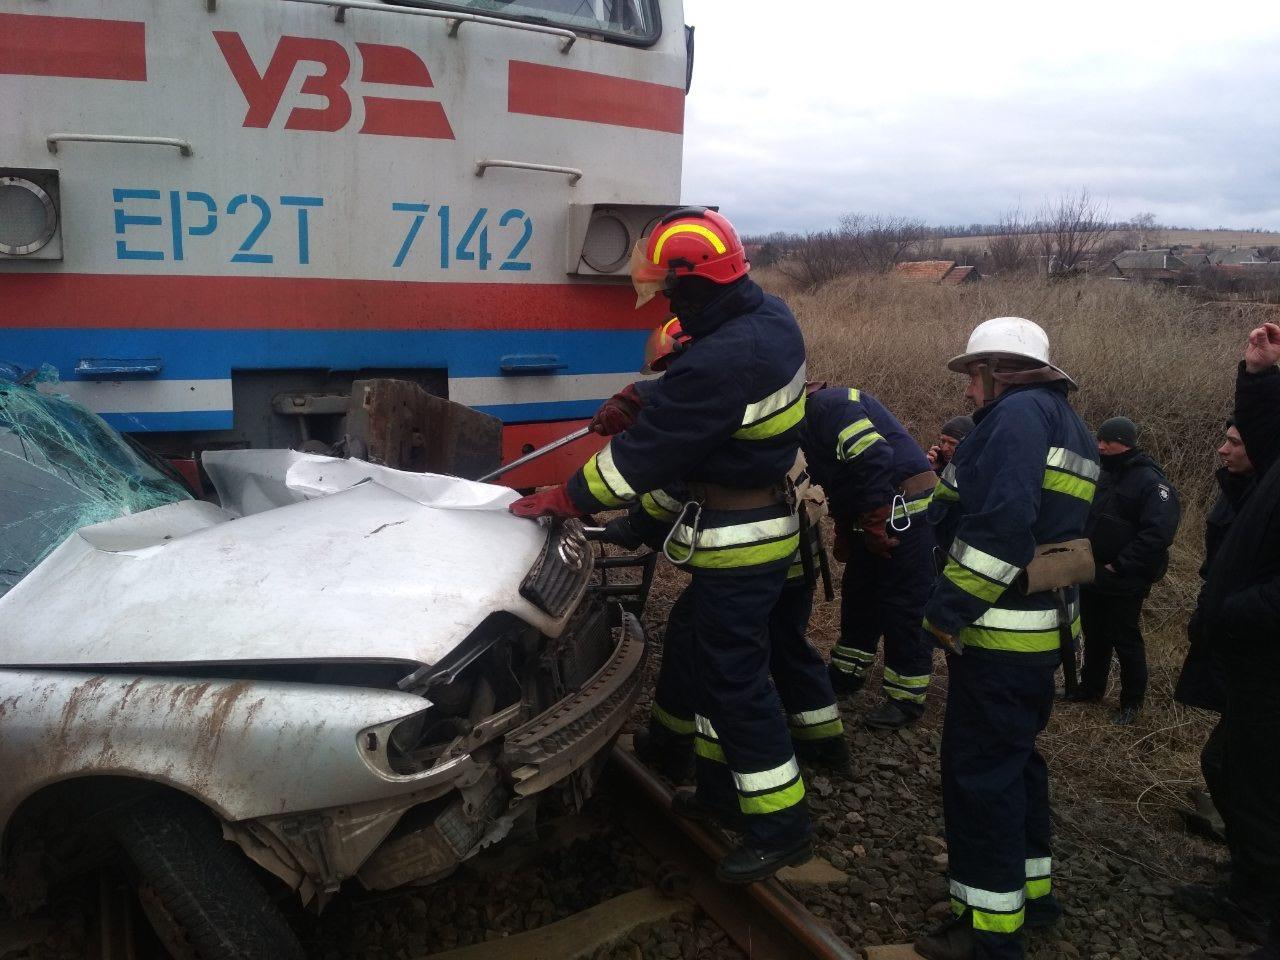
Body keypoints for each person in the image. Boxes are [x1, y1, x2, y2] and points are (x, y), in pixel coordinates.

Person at [508, 207, 813, 884]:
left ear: (699, 284)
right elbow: (713, 394)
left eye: (673, 290)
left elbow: (636, 461)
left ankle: (781, 826)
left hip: (744, 537)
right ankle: (719, 794)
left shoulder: (726, 358)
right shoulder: (768, 320)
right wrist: (650, 393)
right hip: (754, 526)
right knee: (706, 659)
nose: (668, 301)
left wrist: (566, 498)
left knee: (734, 680)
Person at [914, 317, 1098, 960]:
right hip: (1040, 630)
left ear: (998, 370)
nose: (968, 392)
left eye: (972, 375)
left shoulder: (1016, 418)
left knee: (979, 774)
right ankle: (1032, 896)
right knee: (1016, 762)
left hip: (998, 635)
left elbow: (1000, 528)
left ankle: (990, 932)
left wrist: (947, 609)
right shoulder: (1065, 420)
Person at [1177, 322, 1280, 959]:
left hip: (1268, 656)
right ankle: (1248, 890)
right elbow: (1265, 439)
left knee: (1264, 792)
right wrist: (1263, 374)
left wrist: (1240, 609)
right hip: (1253, 660)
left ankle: (1264, 908)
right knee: (1230, 768)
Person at [809, 384, 939, 729]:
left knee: (903, 603)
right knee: (860, 593)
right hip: (873, 510)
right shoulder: (810, 419)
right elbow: (840, 479)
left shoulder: (831, 406)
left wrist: (875, 524)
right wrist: (843, 526)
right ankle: (848, 672)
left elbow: (873, 458)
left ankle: (905, 696)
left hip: (903, 512)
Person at [1173, 420, 1256, 845]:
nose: (1223, 450)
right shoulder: (1236, 495)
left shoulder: (1263, 503)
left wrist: (1230, 610)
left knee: (1226, 758)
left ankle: (1250, 869)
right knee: (1225, 753)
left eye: (1234, 442)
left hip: (1252, 642)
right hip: (1229, 637)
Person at [1067, 417, 1181, 725]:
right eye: (1099, 439)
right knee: (1094, 633)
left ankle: (1131, 703)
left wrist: (1121, 564)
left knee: (1125, 638)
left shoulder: (1151, 482)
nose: (1100, 445)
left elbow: (1158, 533)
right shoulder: (1103, 473)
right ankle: (1090, 689)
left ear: (1125, 443)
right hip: (1092, 572)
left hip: (1125, 578)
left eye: (1107, 441)